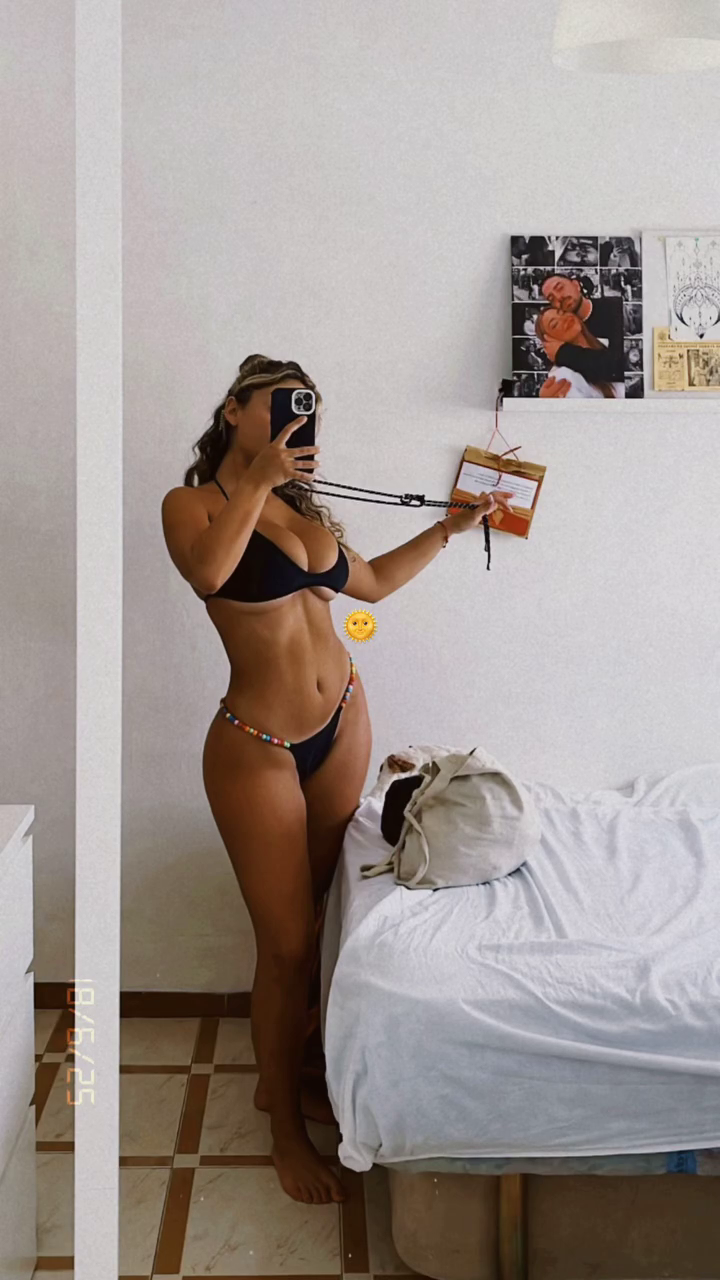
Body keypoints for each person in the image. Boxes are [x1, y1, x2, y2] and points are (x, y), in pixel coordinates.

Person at [161, 354, 515, 1208]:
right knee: (284, 945)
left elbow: (374, 586)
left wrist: (450, 528)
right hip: (258, 744)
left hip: (343, 719)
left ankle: (294, 1072)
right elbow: (209, 574)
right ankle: (284, 1126)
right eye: (280, 405)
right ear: (234, 409)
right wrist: (259, 477)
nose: (296, 421)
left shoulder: (297, 505)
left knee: (321, 919)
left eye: (307, 408)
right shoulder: (193, 503)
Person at [538, 274, 625, 391]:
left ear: (576, 285)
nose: (559, 298)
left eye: (560, 288)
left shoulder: (614, 308)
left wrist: (562, 353)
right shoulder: (568, 334)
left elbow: (620, 365)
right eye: (551, 299)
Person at [535, 307, 624, 398]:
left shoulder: (610, 343)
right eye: (555, 324)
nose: (564, 318)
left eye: (563, 312)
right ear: (549, 342)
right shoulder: (562, 376)